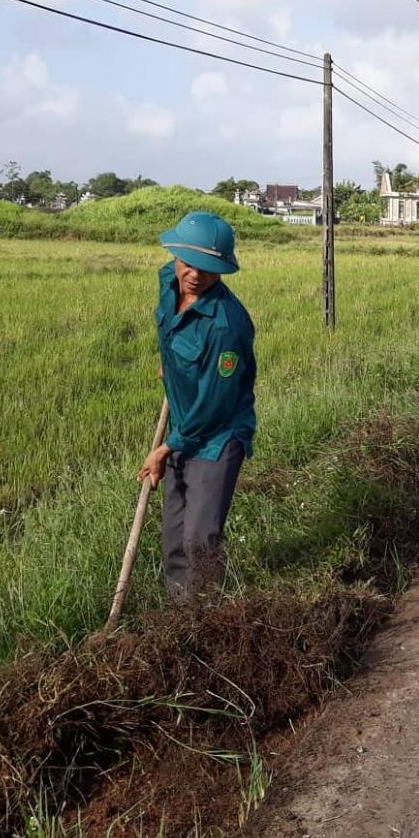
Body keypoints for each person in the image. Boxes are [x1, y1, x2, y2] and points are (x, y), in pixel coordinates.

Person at [139, 211, 256, 604]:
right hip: (184, 422)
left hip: (216, 435)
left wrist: (167, 448)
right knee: (174, 534)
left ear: (220, 269)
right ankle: (179, 614)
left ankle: (205, 617)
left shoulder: (226, 325)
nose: (194, 275)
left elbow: (213, 406)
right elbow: (169, 325)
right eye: (188, 263)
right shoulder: (168, 282)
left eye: (207, 268)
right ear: (175, 255)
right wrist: (170, 357)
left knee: (199, 537)